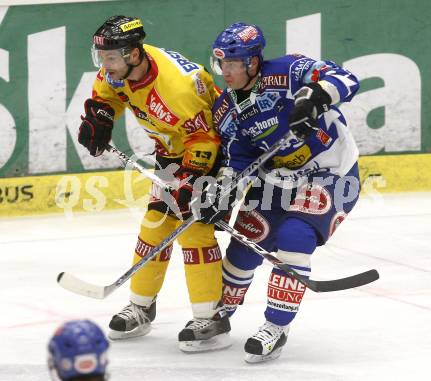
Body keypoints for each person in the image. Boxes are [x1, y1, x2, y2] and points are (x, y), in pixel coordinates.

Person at [198, 22, 361, 363]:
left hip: (331, 173)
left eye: (232, 64)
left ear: (253, 62)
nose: (225, 73)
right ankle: (221, 313)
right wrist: (223, 193)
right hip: (277, 180)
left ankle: (276, 326)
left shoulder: (288, 71)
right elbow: (237, 158)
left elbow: (346, 78)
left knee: (295, 236)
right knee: (244, 241)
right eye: (221, 65)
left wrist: (315, 97)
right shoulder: (226, 109)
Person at [77, 15, 230, 352]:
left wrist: (192, 179)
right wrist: (101, 115)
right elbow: (108, 94)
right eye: (101, 57)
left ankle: (211, 319)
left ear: (134, 54)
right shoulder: (119, 70)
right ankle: (141, 307)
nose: (105, 65)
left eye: (111, 58)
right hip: (171, 153)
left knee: (194, 230)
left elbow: (206, 138)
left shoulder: (176, 87)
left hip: (216, 152)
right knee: (155, 225)